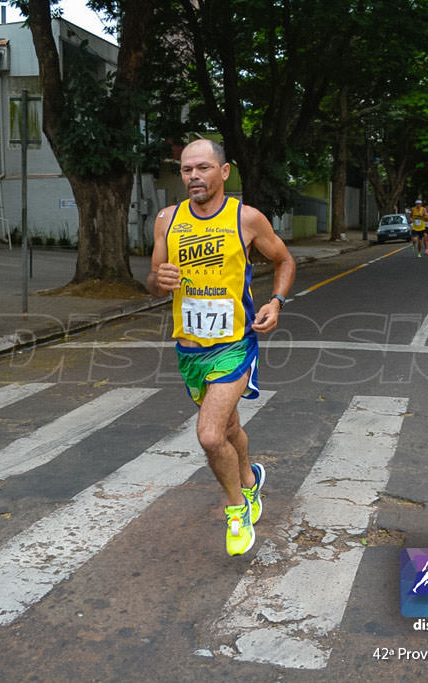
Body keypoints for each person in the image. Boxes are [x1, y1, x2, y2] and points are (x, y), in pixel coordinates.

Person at [147, 138, 296, 557]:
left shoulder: (246, 219)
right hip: (189, 350)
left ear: (224, 171)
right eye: (186, 170)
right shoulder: (166, 220)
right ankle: (249, 482)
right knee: (229, 427)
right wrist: (157, 281)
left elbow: (284, 260)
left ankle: (236, 511)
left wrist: (276, 301)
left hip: (234, 345)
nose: (194, 176)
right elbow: (152, 279)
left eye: (203, 168)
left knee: (210, 435)